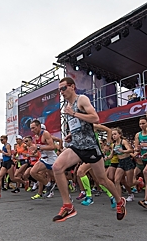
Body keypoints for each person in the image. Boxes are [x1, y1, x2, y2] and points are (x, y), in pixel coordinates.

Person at [51, 77, 126, 222]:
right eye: (59, 90)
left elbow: (95, 118)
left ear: (72, 86)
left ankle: (119, 201)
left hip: (91, 147)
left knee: (102, 180)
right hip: (76, 146)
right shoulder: (68, 105)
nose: (61, 92)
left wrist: (73, 113)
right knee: (57, 167)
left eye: (63, 88)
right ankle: (68, 206)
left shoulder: (82, 99)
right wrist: (72, 135)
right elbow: (79, 124)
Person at [29, 120, 57, 200]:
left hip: (51, 159)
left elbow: (52, 147)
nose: (32, 130)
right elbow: (40, 147)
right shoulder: (36, 136)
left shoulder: (45, 133)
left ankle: (67, 195)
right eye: (31, 128)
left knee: (57, 178)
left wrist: (38, 147)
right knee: (33, 172)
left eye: (34, 128)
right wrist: (35, 150)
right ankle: (48, 185)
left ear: (39, 127)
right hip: (44, 159)